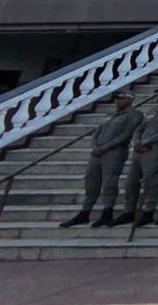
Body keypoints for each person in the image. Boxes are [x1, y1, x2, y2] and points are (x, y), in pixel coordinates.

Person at [60, 90, 144, 228]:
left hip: (115, 151)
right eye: (116, 98)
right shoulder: (110, 115)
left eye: (121, 98)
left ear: (130, 100)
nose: (117, 100)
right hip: (97, 152)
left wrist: (104, 148)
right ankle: (85, 211)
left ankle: (107, 211)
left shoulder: (134, 115)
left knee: (109, 183)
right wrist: (94, 147)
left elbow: (126, 134)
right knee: (91, 181)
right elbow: (96, 132)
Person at [119, 86, 158, 227]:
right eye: (157, 93)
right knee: (131, 182)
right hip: (139, 150)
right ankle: (128, 210)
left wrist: (147, 143)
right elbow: (140, 128)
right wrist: (137, 142)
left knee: (150, 182)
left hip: (153, 149)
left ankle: (148, 211)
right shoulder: (152, 110)